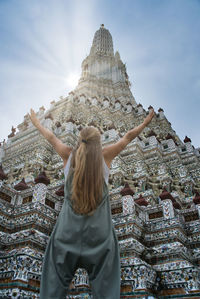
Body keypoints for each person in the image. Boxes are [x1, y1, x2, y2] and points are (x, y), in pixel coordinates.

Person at [29, 107, 154, 299]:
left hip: (67, 234)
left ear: (79, 141)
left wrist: (37, 123)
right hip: (99, 237)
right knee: (106, 289)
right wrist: (146, 122)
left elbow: (51, 137)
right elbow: (128, 137)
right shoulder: (105, 156)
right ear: (98, 143)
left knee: (52, 286)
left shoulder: (68, 155)